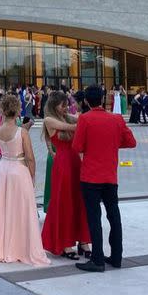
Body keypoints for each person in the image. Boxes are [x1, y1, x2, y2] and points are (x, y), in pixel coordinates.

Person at [72, 85, 137, 272]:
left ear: (86, 101)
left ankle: (97, 259)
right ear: (102, 99)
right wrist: (112, 143)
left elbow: (77, 147)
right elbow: (131, 142)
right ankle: (116, 256)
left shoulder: (85, 119)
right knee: (114, 216)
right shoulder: (116, 119)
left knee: (94, 218)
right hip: (110, 176)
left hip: (91, 176)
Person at [0, 94, 50, 266]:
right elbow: (30, 158)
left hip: (3, 169)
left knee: (4, 209)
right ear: (18, 110)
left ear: (4, 110)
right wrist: (32, 176)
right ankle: (21, 248)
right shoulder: (22, 132)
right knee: (23, 210)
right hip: (19, 170)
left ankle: (3, 248)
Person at [41, 91, 92, 260]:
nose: (65, 108)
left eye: (66, 104)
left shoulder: (66, 116)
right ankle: (65, 244)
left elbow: (81, 120)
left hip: (76, 162)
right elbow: (72, 127)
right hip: (63, 164)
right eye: (62, 105)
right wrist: (84, 120)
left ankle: (84, 241)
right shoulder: (49, 120)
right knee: (64, 201)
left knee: (80, 200)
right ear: (54, 104)